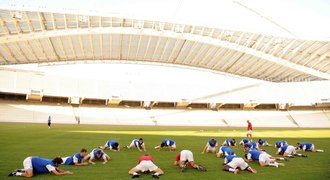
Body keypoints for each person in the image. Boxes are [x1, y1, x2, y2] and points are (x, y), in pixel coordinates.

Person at [8, 156, 72, 177]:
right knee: (30, 175)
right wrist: (66, 173)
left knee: (35, 172)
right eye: (60, 163)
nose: (60, 164)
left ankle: (20, 170)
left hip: (31, 161)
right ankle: (15, 173)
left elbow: (56, 168)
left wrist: (61, 170)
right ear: (56, 163)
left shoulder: (51, 162)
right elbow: (56, 173)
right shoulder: (50, 165)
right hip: (28, 161)